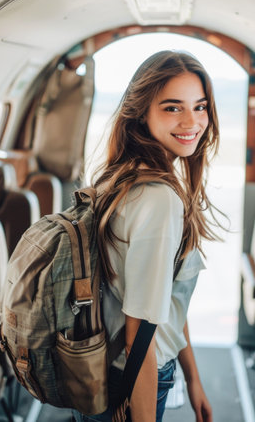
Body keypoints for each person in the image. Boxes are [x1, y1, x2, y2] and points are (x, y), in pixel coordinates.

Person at [72, 50, 222, 422]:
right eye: (173, 108)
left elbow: (165, 299)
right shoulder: (158, 199)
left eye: (200, 106)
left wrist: (193, 379)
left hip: (104, 371)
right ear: (141, 112)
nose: (192, 121)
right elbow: (138, 332)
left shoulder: (120, 176)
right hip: (133, 376)